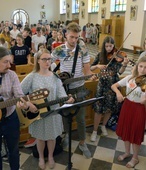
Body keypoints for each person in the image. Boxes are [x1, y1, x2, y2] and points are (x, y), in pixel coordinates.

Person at [18, 49, 74, 169]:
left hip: (53, 113)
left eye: (49, 59)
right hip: (38, 113)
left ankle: (50, 156)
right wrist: (28, 104)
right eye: (44, 59)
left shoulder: (55, 77)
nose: (47, 61)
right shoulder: (31, 77)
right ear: (38, 60)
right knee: (40, 138)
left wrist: (67, 99)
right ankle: (42, 158)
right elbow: (19, 94)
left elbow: (61, 94)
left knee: (52, 137)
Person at [51, 22, 94, 159]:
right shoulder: (59, 50)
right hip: (64, 88)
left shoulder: (83, 50)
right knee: (64, 114)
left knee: (81, 117)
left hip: (79, 86)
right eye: (71, 37)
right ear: (66, 35)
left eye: (76, 37)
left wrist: (91, 75)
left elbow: (87, 69)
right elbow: (47, 64)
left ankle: (82, 142)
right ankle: (67, 135)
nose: (74, 40)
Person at [90, 36, 129, 142]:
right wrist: (98, 66)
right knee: (98, 109)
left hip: (113, 86)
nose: (108, 48)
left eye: (110, 46)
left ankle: (103, 126)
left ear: (113, 46)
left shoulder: (117, 57)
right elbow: (91, 67)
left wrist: (124, 64)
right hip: (102, 86)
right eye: (106, 46)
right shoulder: (100, 55)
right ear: (104, 46)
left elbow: (120, 72)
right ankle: (94, 131)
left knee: (109, 109)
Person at [111, 55, 146, 168]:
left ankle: (135, 157)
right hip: (127, 107)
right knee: (126, 130)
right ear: (137, 66)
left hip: (139, 109)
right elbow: (114, 86)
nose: (142, 70)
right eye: (140, 66)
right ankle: (127, 152)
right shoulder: (130, 78)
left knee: (135, 133)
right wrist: (119, 93)